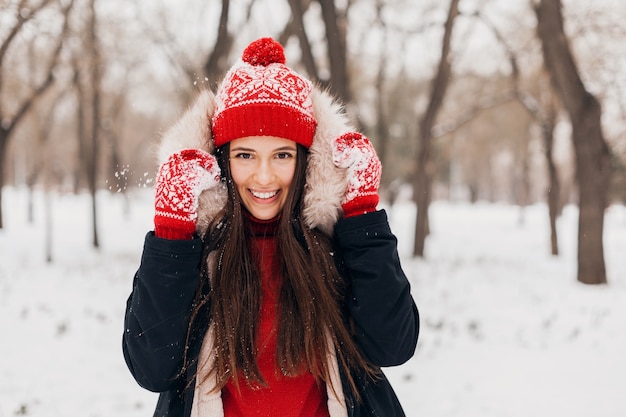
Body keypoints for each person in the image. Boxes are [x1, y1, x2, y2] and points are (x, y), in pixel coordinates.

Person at [122, 37, 419, 417]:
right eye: (245, 155)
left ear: (305, 159)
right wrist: (172, 234)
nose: (264, 176)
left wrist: (361, 215)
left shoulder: (334, 244)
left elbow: (392, 346)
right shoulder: (197, 251)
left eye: (282, 155)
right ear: (223, 160)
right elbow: (152, 368)